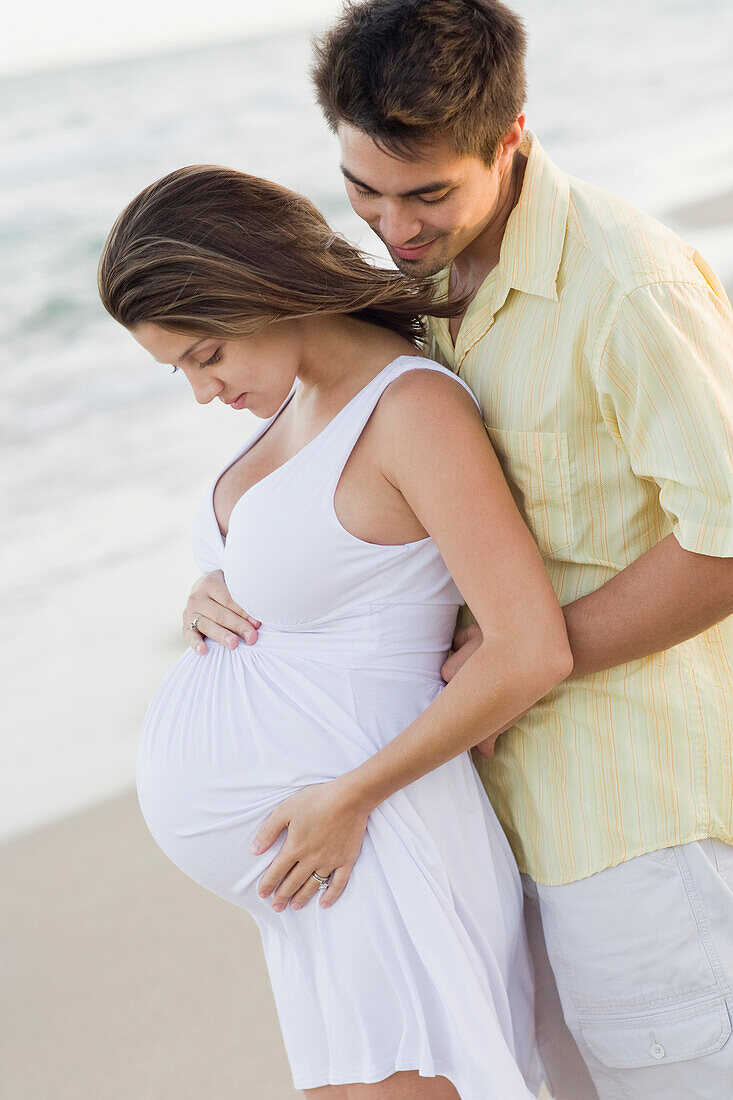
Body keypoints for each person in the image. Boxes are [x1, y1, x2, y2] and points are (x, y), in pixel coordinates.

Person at [181, 2, 733, 1097]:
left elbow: (724, 542)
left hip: (630, 810)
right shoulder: (413, 293)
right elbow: (373, 500)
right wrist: (226, 580)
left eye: (429, 191)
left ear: (511, 135)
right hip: (479, 816)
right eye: (363, 188)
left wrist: (522, 654)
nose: (393, 223)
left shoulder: (626, 285)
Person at [98, 163, 574, 1098]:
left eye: (205, 355)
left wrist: (351, 798)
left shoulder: (412, 410)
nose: (203, 392)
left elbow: (530, 649)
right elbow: (326, 564)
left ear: (258, 288)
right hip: (325, 871)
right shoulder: (294, 402)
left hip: (371, 836)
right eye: (179, 371)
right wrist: (212, 582)